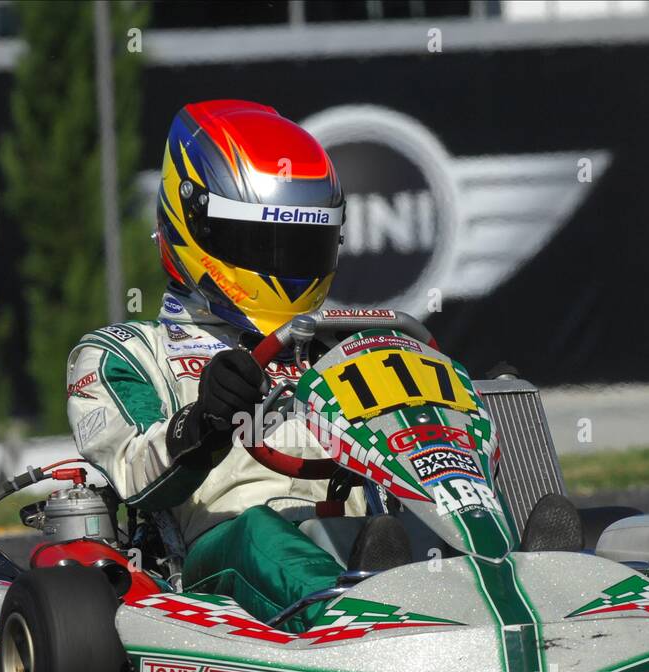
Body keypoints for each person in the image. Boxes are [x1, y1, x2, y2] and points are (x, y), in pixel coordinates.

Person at [67, 99, 408, 631]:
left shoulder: (343, 346)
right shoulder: (127, 352)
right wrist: (202, 423)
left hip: (360, 533)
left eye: (300, 246)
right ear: (195, 224)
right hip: (214, 565)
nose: (282, 265)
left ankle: (525, 576)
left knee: (415, 515)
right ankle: (365, 618)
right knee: (258, 533)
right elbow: (134, 474)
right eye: (260, 242)